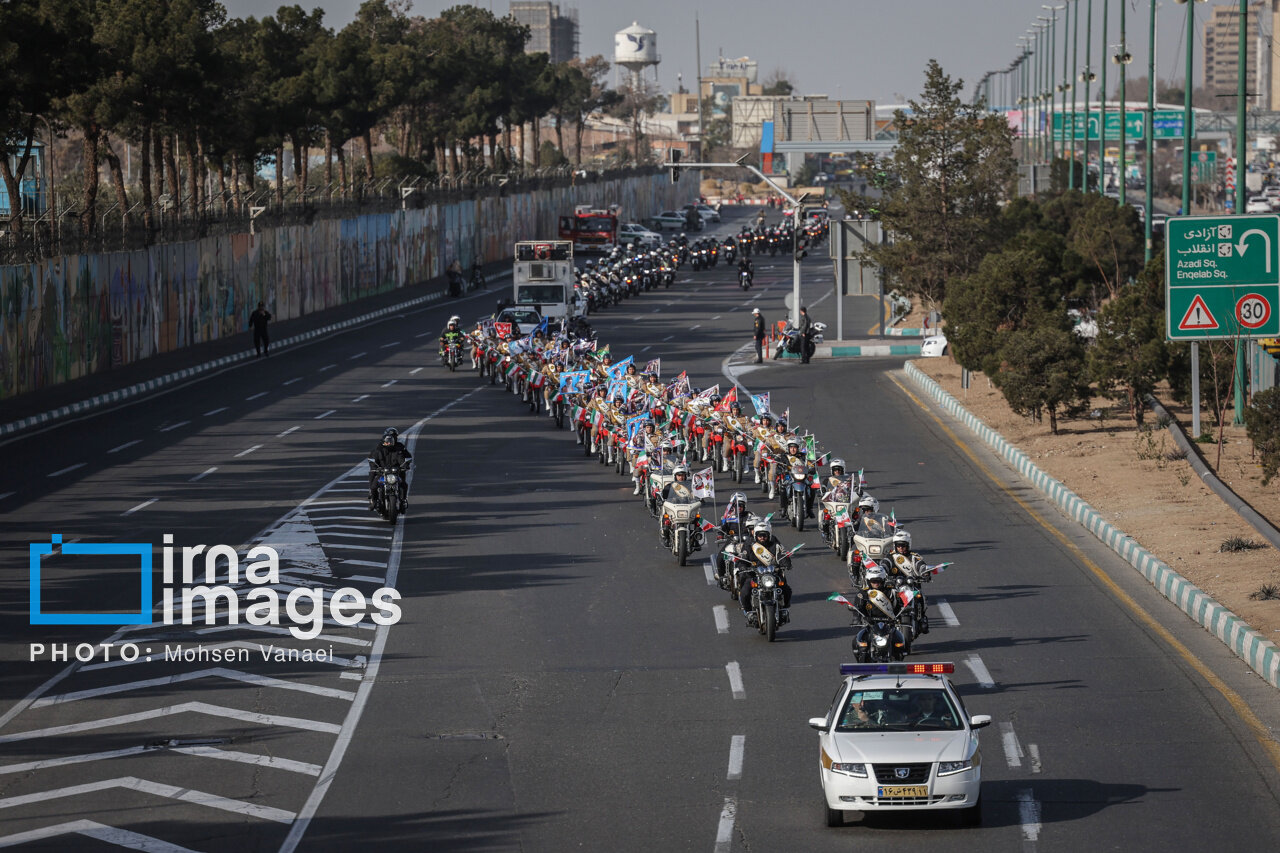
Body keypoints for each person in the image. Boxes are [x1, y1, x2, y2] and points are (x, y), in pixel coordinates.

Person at [738, 520, 792, 623]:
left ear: (769, 535)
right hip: (754, 574)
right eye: (760, 535)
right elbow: (743, 557)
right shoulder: (749, 544)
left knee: (786, 590)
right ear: (756, 535)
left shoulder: (775, 543)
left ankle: (784, 610)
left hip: (772, 574)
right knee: (745, 592)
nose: (762, 537)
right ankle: (748, 612)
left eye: (764, 535)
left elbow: (781, 554)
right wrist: (742, 566)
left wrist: (786, 563)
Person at [368, 427, 412, 509]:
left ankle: (403, 500)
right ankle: (374, 501)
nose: (389, 442)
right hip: (382, 472)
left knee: (403, 484)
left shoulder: (399, 448)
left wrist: (405, 465)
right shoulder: (379, 448)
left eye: (394, 436)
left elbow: (404, 458)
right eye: (387, 441)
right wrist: (375, 467)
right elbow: (373, 458)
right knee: (374, 486)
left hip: (396, 472)